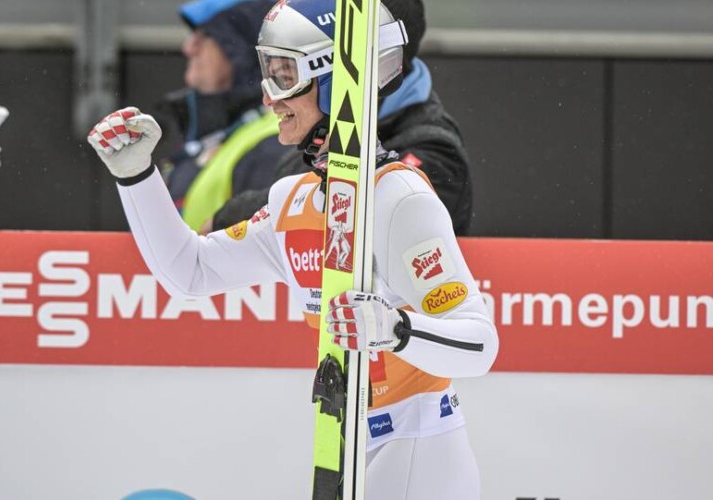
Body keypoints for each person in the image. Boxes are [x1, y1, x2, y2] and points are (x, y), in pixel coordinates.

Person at [87, 0, 498, 498]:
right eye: (266, 71)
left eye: (284, 74)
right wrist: (135, 176)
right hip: (344, 444)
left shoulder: (399, 198)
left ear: (334, 79)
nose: (268, 97)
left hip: (421, 450)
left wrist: (395, 329)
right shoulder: (292, 200)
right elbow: (189, 272)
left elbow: (479, 344)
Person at [209, 0, 474, 236]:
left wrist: (236, 217)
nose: (270, 99)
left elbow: (351, 223)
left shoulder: (433, 149)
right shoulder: (318, 136)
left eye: (288, 76)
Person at [158, 0, 293, 231]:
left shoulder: (277, 141)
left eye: (205, 35)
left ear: (240, 48)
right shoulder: (221, 134)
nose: (189, 48)